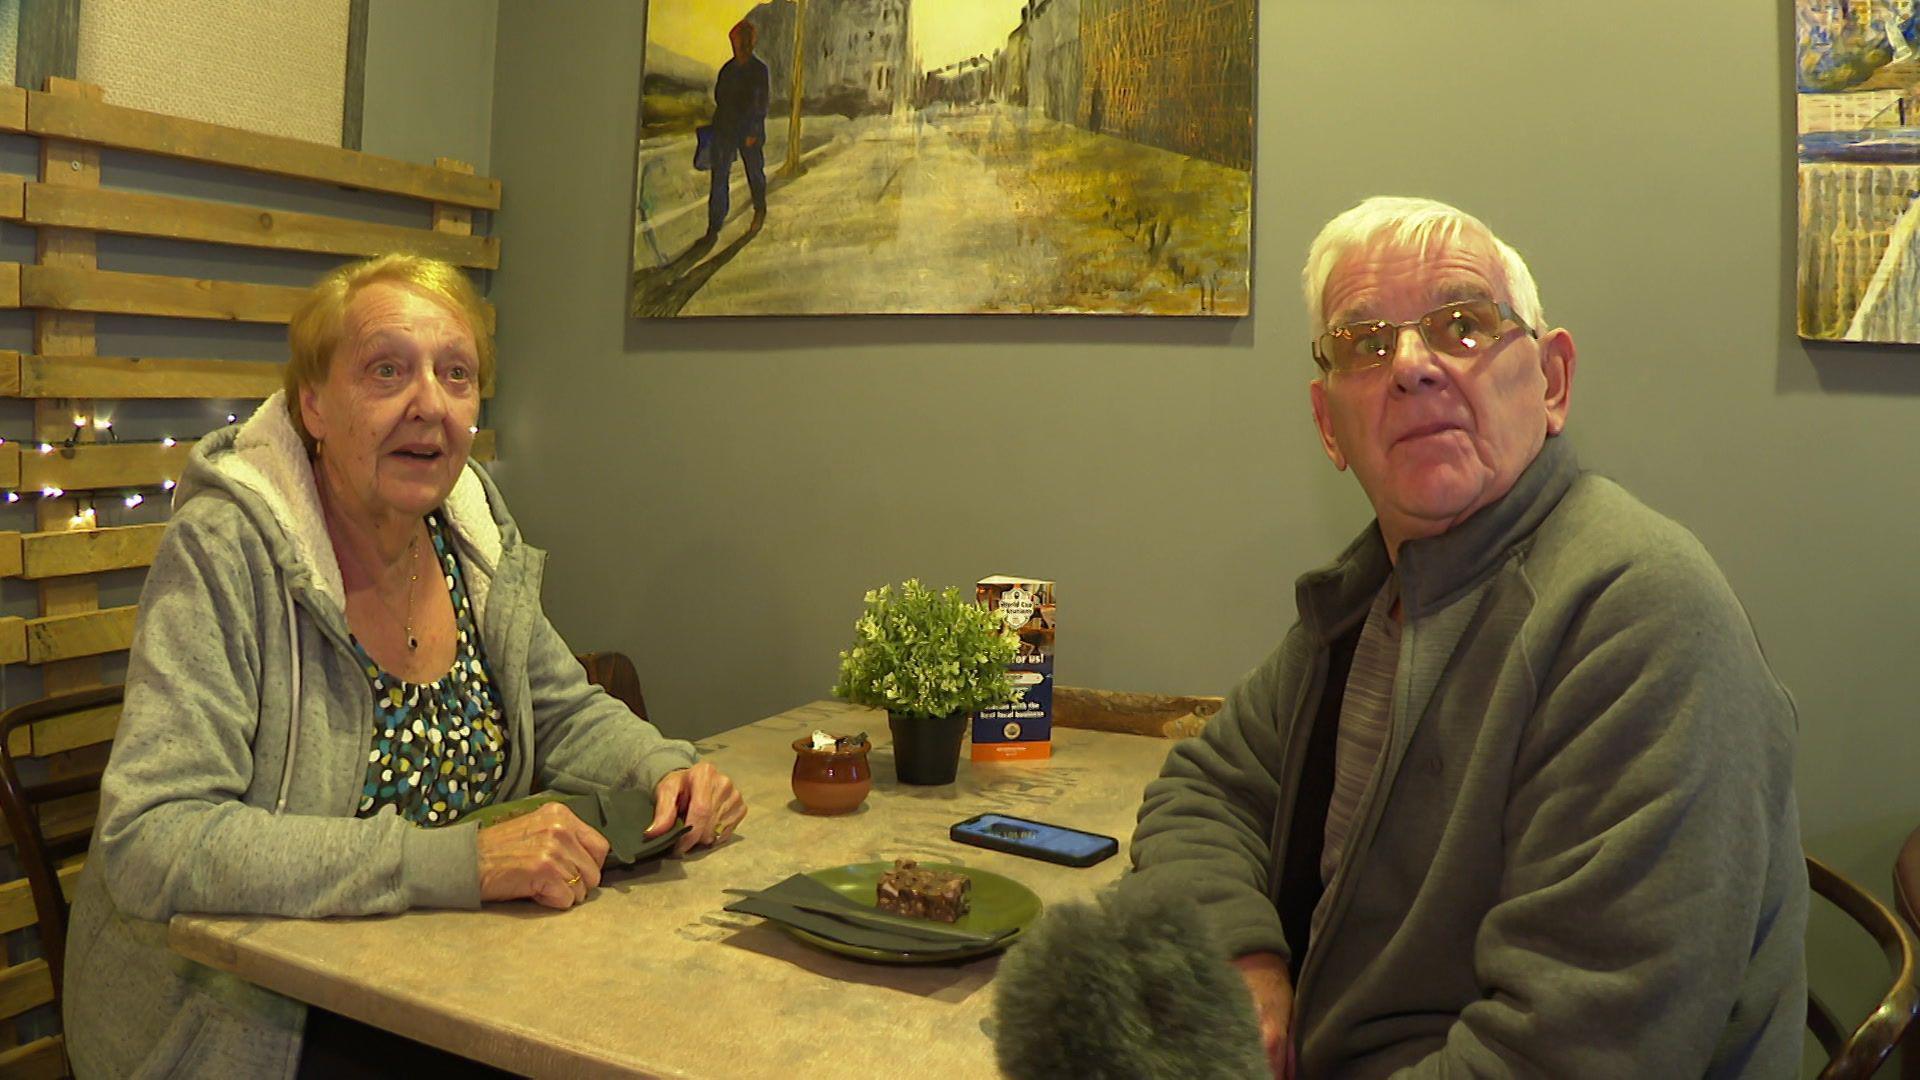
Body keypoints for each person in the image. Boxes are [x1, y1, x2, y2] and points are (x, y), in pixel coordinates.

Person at [1129, 196, 1806, 1078]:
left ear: (1553, 381)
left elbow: (1571, 1057)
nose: (1411, 365)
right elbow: (1208, 788)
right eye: (1364, 343)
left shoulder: (1642, 617)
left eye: (1463, 325)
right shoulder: (1378, 589)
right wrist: (1243, 963)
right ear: (1330, 425)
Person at [63, 254, 747, 1076]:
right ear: (313, 404)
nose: (429, 403)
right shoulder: (226, 552)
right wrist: (453, 865)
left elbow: (563, 708)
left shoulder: (472, 537)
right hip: (249, 1026)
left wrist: (666, 765)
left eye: (455, 374)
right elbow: (152, 838)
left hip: (452, 985)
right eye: (387, 370)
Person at [705, 19, 770, 241]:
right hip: (725, 130)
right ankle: (714, 224)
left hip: (749, 131)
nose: (738, 47)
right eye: (735, 43)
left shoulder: (759, 70)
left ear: (750, 44)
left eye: (742, 43)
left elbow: (761, 104)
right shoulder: (727, 70)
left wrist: (753, 132)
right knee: (719, 176)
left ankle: (759, 210)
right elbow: (719, 98)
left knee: (754, 172)